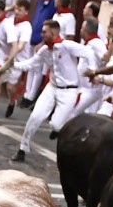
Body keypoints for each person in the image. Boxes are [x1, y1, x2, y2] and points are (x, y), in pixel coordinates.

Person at [11, 19, 94, 162]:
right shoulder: (44, 50)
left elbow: (88, 52)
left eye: (44, 32)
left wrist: (92, 69)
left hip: (69, 91)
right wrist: (13, 64)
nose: (42, 34)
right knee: (35, 117)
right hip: (52, 88)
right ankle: (22, 149)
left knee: (56, 124)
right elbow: (31, 64)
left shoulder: (67, 46)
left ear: (54, 32)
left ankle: (57, 129)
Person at [20, 0, 57, 108]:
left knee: (37, 70)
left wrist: (43, 41)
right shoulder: (41, 0)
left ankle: (31, 96)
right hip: (34, 35)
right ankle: (26, 93)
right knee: (31, 68)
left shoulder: (53, 3)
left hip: (42, 39)